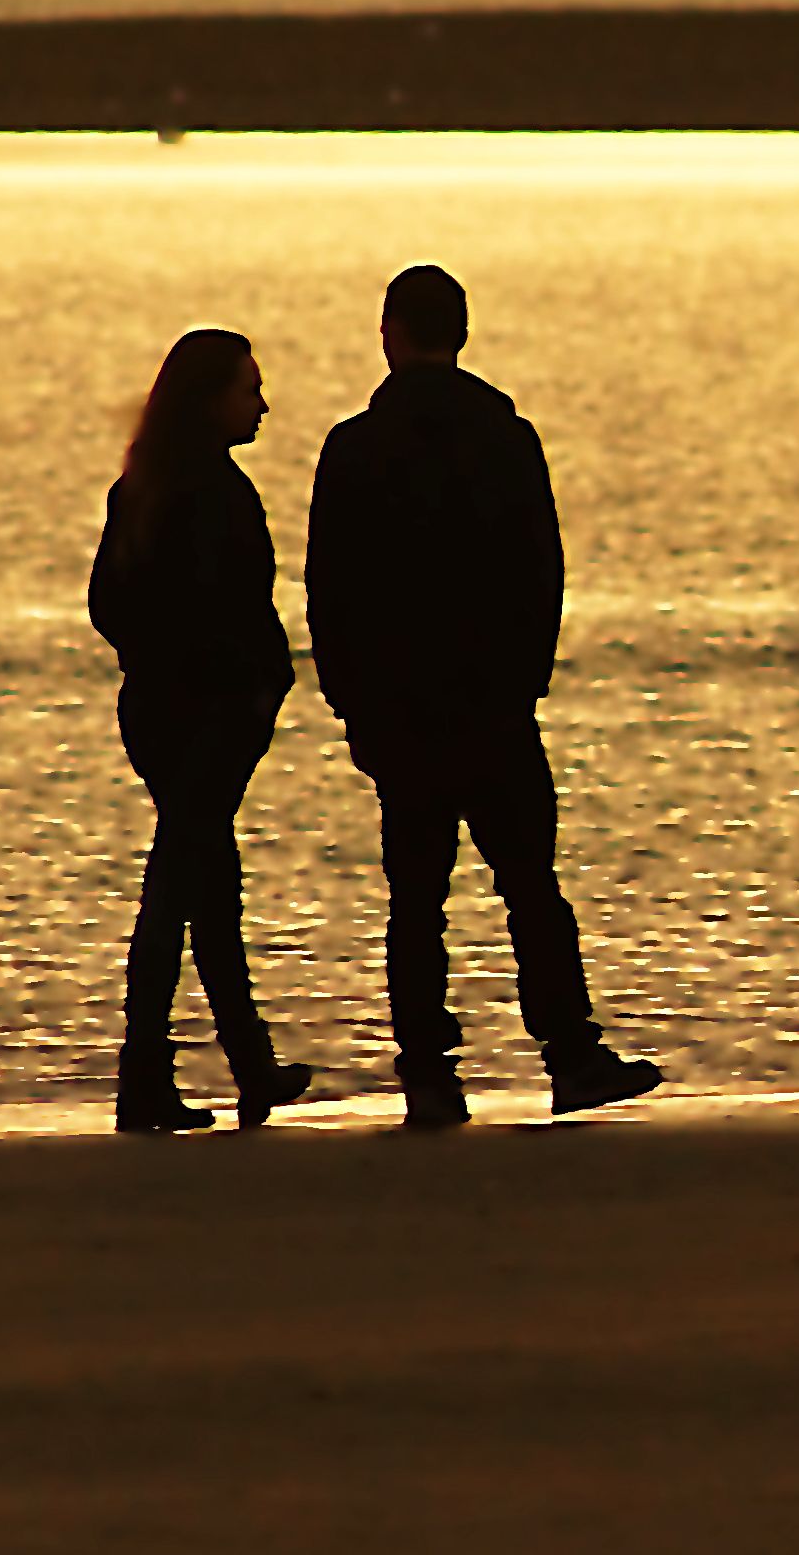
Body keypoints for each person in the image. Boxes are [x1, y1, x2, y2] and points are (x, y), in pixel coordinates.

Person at [306, 265, 662, 1126]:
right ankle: (569, 1053)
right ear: (460, 334)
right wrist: (523, 682)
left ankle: (427, 1071)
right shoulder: (507, 438)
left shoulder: (355, 448)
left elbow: (330, 589)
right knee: (531, 886)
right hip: (492, 705)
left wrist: (350, 702)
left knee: (416, 900)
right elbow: (542, 572)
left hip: (401, 709)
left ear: (389, 331)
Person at [85, 327, 325, 1136]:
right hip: (207, 713)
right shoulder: (216, 494)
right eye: (246, 388)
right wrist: (253, 685)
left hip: (157, 709)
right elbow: (239, 611)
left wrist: (154, 660)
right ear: (207, 398)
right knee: (180, 885)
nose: (261, 403)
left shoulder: (143, 485)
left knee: (206, 880)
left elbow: (107, 606)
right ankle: (142, 1075)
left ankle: (249, 1065)